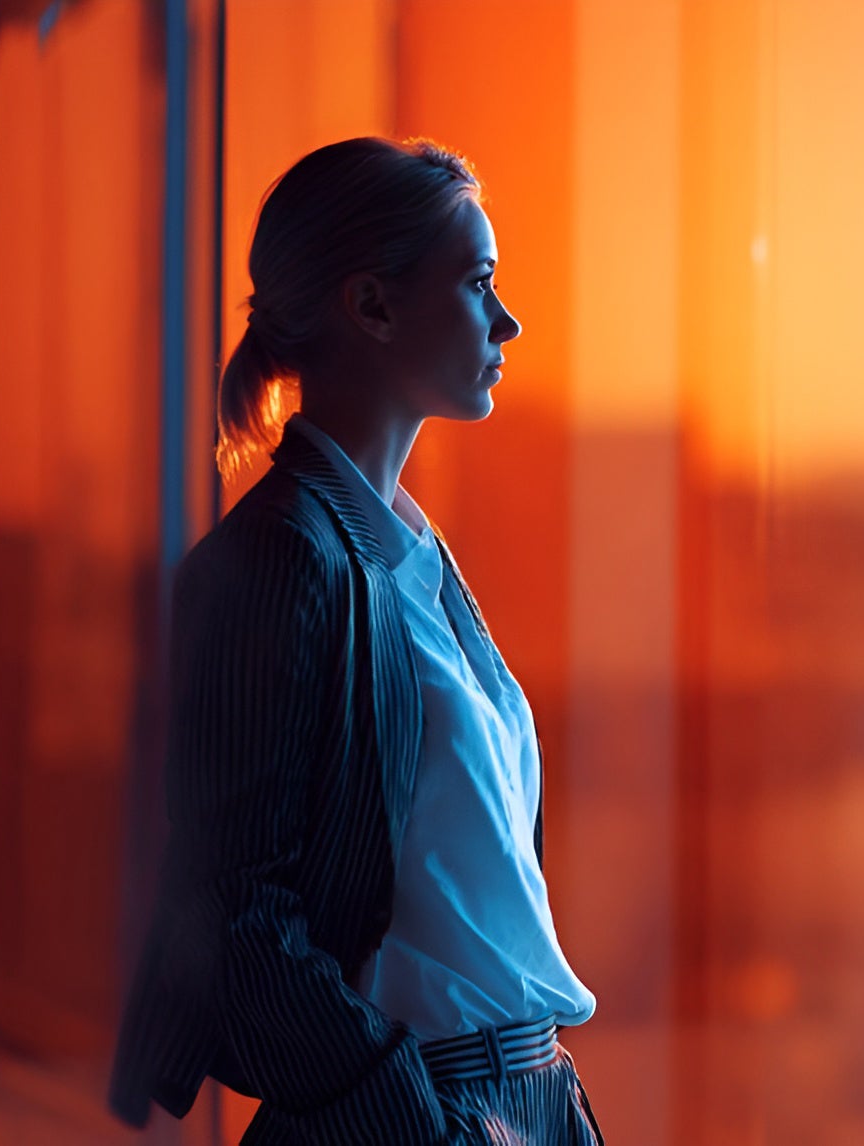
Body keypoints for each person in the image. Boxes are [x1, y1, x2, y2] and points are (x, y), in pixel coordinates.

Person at [107, 136, 602, 1145]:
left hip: (527, 1098)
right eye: (476, 283)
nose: (507, 320)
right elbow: (235, 913)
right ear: (371, 307)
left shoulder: (413, 556)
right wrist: (412, 1120)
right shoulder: (280, 563)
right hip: (415, 1112)